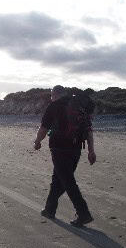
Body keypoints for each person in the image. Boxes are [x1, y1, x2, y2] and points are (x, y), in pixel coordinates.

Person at [33, 85, 96, 227]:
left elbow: (43, 128)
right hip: (76, 149)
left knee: (67, 181)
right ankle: (49, 209)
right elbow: (89, 130)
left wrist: (37, 142)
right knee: (58, 179)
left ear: (55, 94)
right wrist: (91, 151)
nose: (51, 98)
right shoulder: (79, 107)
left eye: (51, 95)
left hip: (59, 149)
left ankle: (83, 213)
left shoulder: (54, 106)